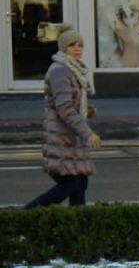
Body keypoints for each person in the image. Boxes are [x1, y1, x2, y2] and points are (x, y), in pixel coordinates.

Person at [25, 25, 102, 210]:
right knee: (70, 184)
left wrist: (85, 110)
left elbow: (69, 103)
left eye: (80, 45)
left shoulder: (74, 70)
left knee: (80, 184)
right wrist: (88, 134)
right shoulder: (60, 71)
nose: (77, 49)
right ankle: (29, 213)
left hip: (71, 138)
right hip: (61, 137)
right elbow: (64, 109)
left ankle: (77, 230)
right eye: (72, 45)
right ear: (63, 49)